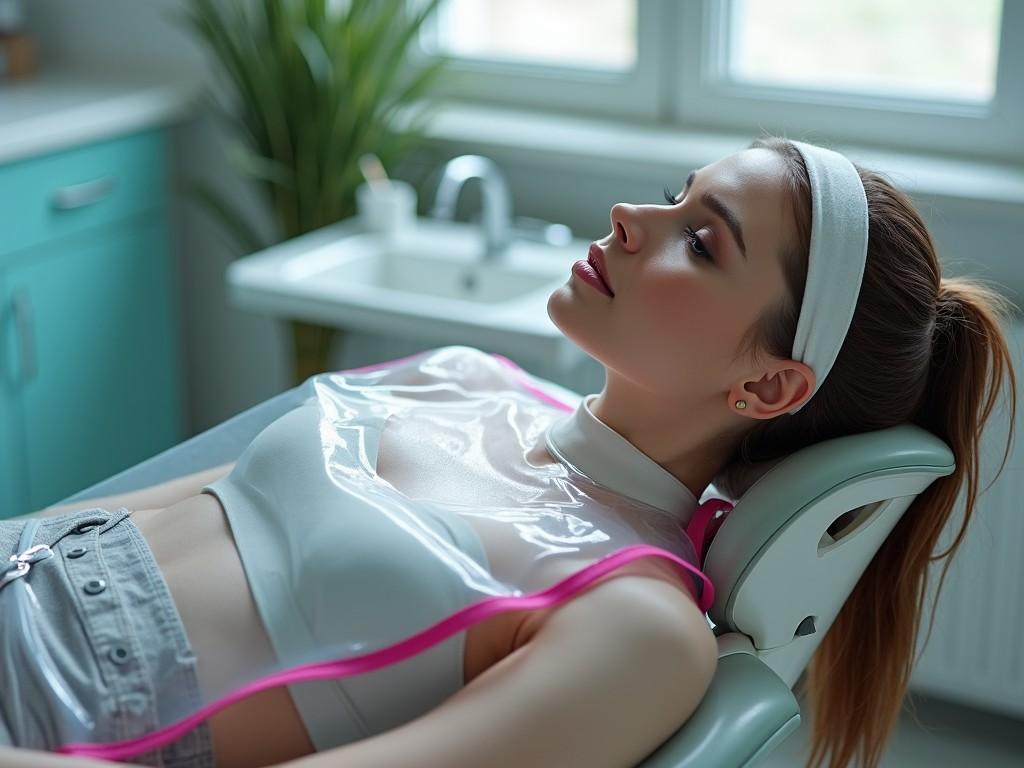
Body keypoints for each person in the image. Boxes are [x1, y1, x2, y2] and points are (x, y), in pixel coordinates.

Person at [0, 136, 1018, 768]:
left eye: (702, 241)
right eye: (678, 193)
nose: (634, 216)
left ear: (765, 385)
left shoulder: (637, 624)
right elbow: (141, 509)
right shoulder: (460, 374)